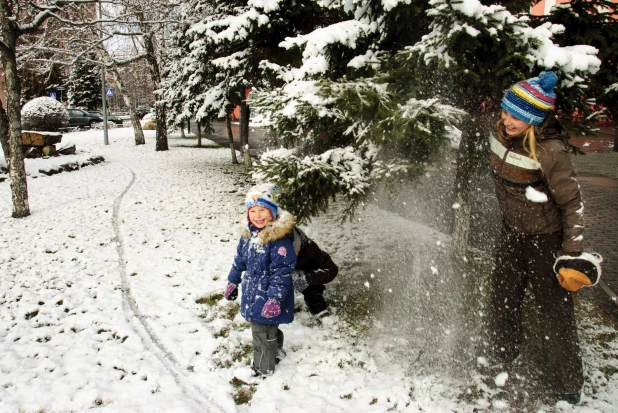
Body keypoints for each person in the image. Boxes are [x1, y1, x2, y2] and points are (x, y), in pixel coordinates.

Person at [483, 71, 603, 405]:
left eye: (516, 116)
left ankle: (565, 382)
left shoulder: (550, 152)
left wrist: (572, 254)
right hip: (512, 231)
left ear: (533, 119)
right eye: (505, 112)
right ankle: (500, 352)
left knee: (555, 310)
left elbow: (573, 202)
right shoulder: (500, 135)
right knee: (502, 295)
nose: (507, 120)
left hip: (546, 240)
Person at [224, 183, 297, 376]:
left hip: (268, 295)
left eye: (262, 210)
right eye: (253, 210)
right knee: (267, 329)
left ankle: (262, 368)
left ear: (272, 213)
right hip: (253, 292)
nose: (257, 215)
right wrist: (233, 281)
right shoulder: (248, 235)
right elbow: (239, 260)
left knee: (260, 333)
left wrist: (274, 299)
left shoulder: (278, 241)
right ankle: (276, 349)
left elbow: (281, 273)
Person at [291, 227, 339, 321]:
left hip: (304, 276)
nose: (292, 255)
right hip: (280, 279)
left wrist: (308, 277)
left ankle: (319, 309)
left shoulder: (310, 250)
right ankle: (285, 303)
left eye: (295, 251)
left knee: (311, 289)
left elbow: (331, 269)